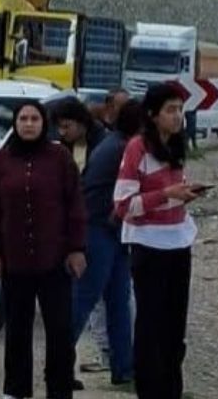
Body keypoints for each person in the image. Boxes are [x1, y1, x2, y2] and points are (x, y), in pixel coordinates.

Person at [0, 101, 86, 399]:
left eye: (35, 118)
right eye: (23, 119)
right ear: (15, 123)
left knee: (59, 331)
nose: (29, 124)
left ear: (44, 123)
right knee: (17, 331)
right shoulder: (0, 161)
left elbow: (75, 205)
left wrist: (77, 248)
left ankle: (60, 390)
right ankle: (15, 390)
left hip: (54, 260)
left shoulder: (60, 158)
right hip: (14, 261)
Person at [113, 83, 201, 399]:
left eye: (180, 109)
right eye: (170, 110)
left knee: (175, 328)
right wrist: (165, 194)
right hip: (149, 244)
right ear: (153, 115)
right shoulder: (137, 147)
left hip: (178, 240)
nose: (177, 117)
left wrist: (184, 195)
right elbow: (123, 204)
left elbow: (171, 194)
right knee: (151, 326)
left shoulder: (176, 144)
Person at [72, 99, 142, 387]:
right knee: (85, 299)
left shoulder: (115, 143)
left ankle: (123, 367)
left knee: (117, 301)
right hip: (99, 228)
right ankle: (59, 365)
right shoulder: (124, 148)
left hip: (111, 230)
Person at [50, 97, 110, 385]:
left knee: (80, 302)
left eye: (67, 126)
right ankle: (61, 367)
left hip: (91, 229)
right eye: (59, 127)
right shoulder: (62, 148)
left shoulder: (102, 145)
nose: (63, 132)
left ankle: (63, 365)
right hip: (64, 231)